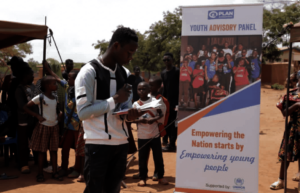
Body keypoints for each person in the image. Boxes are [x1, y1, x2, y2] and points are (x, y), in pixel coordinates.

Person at [75, 27, 142, 193]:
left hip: (121, 144)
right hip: (98, 144)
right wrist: (115, 99)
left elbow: (125, 109)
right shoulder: (89, 72)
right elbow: (83, 113)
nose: (130, 57)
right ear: (117, 46)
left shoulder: (125, 73)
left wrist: (130, 115)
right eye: (129, 52)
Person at [42, 60, 83, 179]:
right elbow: (57, 77)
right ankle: (64, 168)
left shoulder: (81, 92)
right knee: (64, 148)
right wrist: (49, 70)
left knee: (77, 149)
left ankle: (77, 168)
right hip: (67, 125)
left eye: (70, 78)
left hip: (77, 125)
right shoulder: (66, 87)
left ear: (76, 81)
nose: (67, 79)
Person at [23, 75, 63, 182]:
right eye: (54, 84)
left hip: (54, 127)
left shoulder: (55, 98)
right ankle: (40, 173)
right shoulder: (40, 97)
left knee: (54, 151)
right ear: (47, 86)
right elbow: (26, 107)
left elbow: (56, 110)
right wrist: (37, 116)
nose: (56, 86)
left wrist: (59, 116)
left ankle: (55, 172)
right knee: (42, 152)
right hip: (43, 127)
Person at [132, 82, 168, 186]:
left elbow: (161, 114)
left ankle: (160, 177)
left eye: (144, 89)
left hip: (154, 134)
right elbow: (132, 119)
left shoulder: (155, 101)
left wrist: (154, 119)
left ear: (149, 91)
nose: (141, 91)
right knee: (142, 157)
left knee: (158, 157)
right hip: (142, 135)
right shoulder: (135, 104)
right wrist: (140, 121)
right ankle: (142, 178)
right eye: (139, 89)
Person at [270, 88, 300, 190]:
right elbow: (284, 113)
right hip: (293, 129)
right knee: (286, 154)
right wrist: (296, 105)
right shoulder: (290, 95)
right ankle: (281, 181)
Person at [14, 65, 37, 174]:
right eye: (31, 75)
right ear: (25, 76)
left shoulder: (33, 87)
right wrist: (36, 115)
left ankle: (38, 161)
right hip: (23, 120)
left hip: (33, 120)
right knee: (23, 142)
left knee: (36, 141)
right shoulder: (19, 89)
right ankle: (23, 164)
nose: (33, 76)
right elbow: (22, 106)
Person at [161, 53, 179, 152]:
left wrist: (178, 102)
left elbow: (180, 87)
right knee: (166, 122)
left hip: (175, 102)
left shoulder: (177, 71)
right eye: (165, 60)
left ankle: (172, 144)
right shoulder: (163, 73)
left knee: (173, 124)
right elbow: (164, 88)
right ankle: (166, 140)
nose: (166, 62)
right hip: (166, 102)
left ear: (172, 60)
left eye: (168, 60)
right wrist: (162, 100)